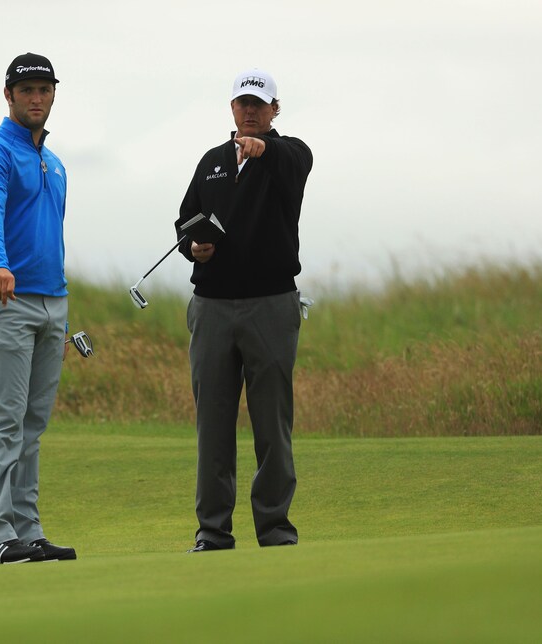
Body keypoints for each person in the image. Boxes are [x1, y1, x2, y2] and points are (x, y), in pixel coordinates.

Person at [175, 68, 313, 552]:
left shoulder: (290, 154)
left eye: (259, 103)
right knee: (213, 424)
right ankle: (212, 530)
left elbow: (287, 157)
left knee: (271, 422)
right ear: (232, 108)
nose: (250, 110)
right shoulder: (212, 161)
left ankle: (275, 527)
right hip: (211, 307)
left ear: (275, 109)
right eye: (242, 103)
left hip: (271, 304)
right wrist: (193, 246)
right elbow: (185, 220)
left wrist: (264, 149)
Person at [0, 52, 76, 565]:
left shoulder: (54, 162)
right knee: (6, 420)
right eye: (26, 90)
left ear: (53, 94)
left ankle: (26, 529)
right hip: (2, 295)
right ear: (8, 95)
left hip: (51, 301)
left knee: (32, 424)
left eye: (43, 89)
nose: (35, 98)